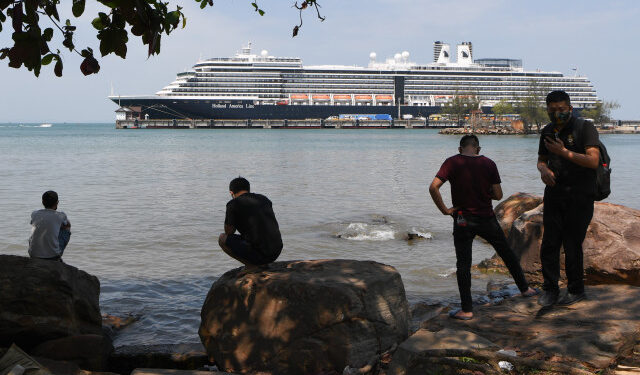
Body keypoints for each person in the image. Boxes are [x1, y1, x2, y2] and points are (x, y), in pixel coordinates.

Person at [429, 135, 537, 320]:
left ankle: (467, 310)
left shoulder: (452, 162)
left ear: (460, 148)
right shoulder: (489, 163)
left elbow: (433, 187)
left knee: (463, 264)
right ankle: (525, 289)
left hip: (463, 219)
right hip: (487, 218)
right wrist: (484, 192)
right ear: (478, 148)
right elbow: (498, 194)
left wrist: (445, 210)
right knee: (506, 253)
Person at [536, 90, 600, 307]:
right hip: (554, 194)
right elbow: (541, 160)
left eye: (562, 110)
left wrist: (564, 152)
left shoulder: (584, 128)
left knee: (572, 243)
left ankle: (575, 290)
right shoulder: (547, 130)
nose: (557, 114)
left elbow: (593, 161)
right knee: (549, 243)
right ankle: (550, 290)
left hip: (580, 195)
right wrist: (543, 170)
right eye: (552, 110)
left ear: (570, 109)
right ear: (547, 110)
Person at [219, 177, 283, 270]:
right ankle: (261, 263)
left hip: (261, 254)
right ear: (248, 189)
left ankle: (251, 266)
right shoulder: (264, 199)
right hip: (276, 251)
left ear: (231, 193)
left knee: (222, 238)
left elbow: (229, 232)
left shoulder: (233, 204)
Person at [29, 190, 71, 261]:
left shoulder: (34, 213)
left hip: (33, 254)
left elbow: (33, 223)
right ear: (57, 202)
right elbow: (67, 225)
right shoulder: (60, 215)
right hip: (52, 256)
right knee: (66, 228)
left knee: (37, 230)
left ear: (42, 202)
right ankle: (57, 253)